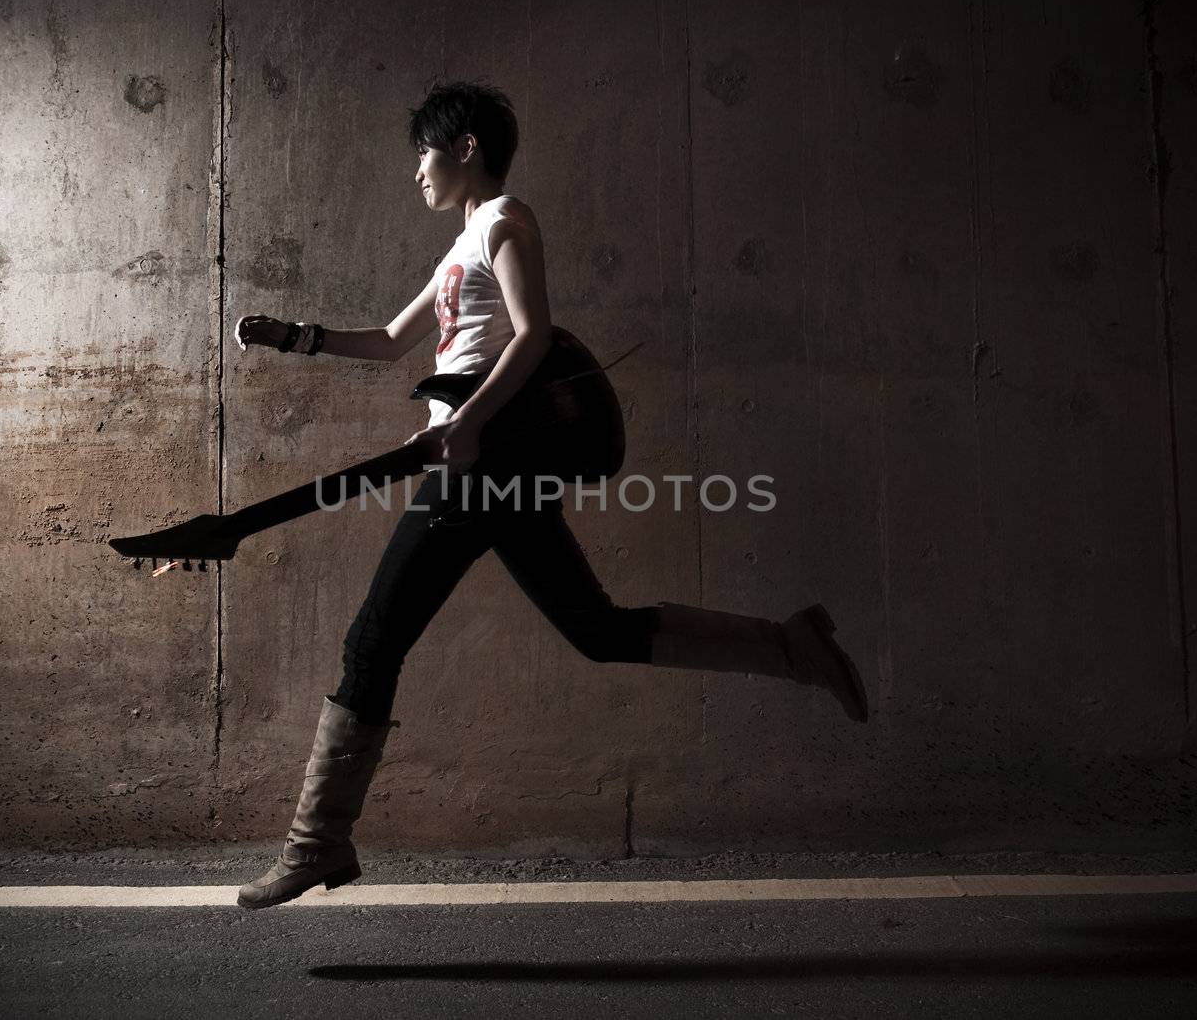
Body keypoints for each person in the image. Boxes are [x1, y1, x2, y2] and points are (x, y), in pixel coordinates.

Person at [230, 81, 868, 910]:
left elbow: (532, 335)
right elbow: (392, 342)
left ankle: (317, 844)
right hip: (484, 462)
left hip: (480, 465)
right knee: (595, 629)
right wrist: (296, 337)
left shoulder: (506, 221)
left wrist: (470, 422)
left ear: (465, 148)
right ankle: (792, 647)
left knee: (372, 641)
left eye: (425, 150)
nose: (416, 170)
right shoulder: (462, 246)